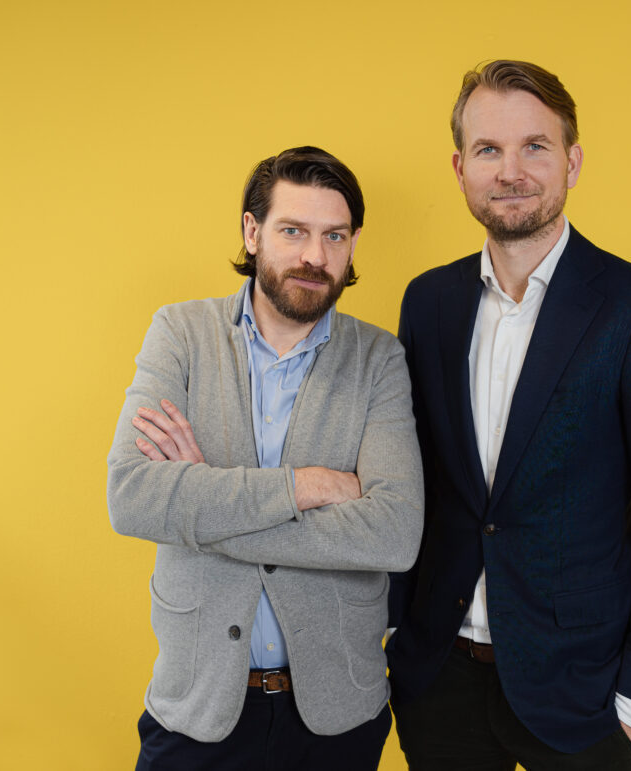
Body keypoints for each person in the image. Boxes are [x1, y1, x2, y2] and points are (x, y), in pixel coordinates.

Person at [386, 60, 631, 770]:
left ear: (573, 161)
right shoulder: (429, 302)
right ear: (460, 168)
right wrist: (395, 637)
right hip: (439, 682)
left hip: (586, 696)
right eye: (488, 149)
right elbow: (414, 482)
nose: (511, 171)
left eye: (535, 146)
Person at [107, 146, 423, 771]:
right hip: (198, 706)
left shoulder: (379, 358)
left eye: (335, 236)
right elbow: (133, 496)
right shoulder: (180, 334)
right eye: (293, 231)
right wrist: (306, 485)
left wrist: (202, 504)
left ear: (353, 244)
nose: (315, 256)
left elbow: (394, 532)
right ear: (252, 232)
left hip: (337, 714)